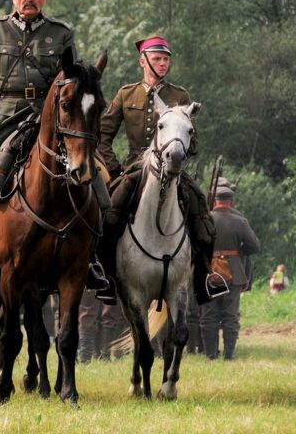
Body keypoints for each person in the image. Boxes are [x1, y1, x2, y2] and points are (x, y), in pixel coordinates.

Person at [0, 0, 108, 293]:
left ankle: (93, 259)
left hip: (51, 122)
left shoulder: (60, 33)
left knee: (99, 180)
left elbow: (72, 82)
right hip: (4, 121)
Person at [97, 32, 222, 305]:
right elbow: (103, 135)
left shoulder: (180, 95)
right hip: (134, 169)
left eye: (166, 59)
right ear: (143, 61)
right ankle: (105, 277)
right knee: (108, 216)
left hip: (173, 169)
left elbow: (194, 141)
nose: (163, 64)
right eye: (157, 58)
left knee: (202, 215)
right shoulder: (125, 93)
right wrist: (115, 170)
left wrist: (181, 148)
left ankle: (205, 278)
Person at [200, 186, 260, 360]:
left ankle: (210, 355)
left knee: (208, 316)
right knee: (230, 316)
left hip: (208, 272)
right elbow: (254, 246)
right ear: (231, 202)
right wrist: (238, 252)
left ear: (214, 200)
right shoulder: (240, 221)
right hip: (233, 272)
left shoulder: (204, 220)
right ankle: (229, 355)